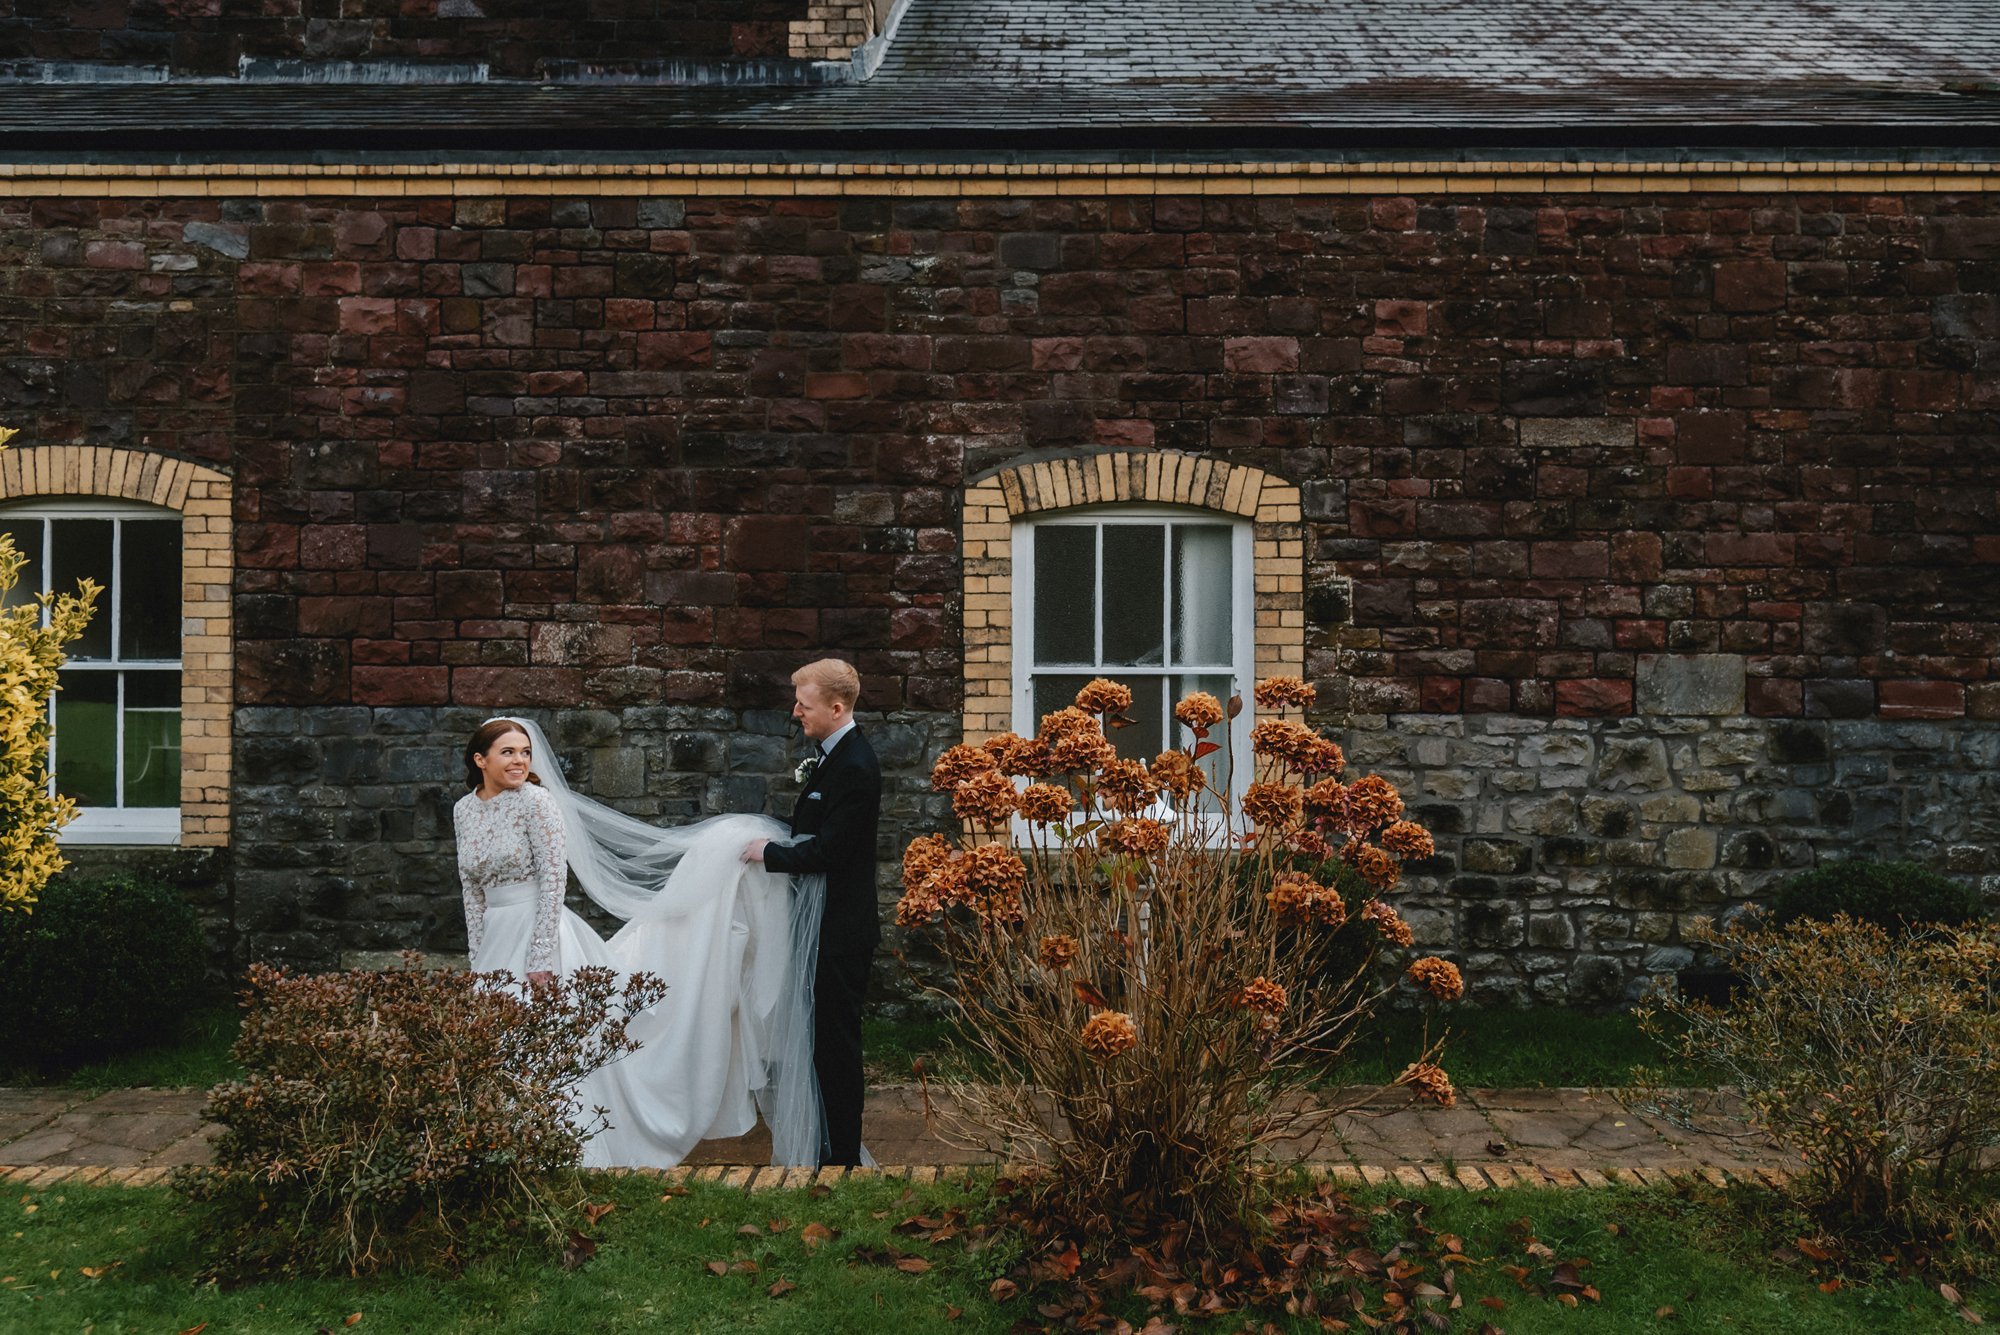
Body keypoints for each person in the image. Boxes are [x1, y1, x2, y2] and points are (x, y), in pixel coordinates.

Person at [453, 716, 827, 1168]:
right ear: (481, 759)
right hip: (495, 937)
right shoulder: (464, 810)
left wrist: (539, 955)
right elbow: (470, 887)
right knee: (498, 1041)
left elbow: (554, 881)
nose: (519, 761)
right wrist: (478, 954)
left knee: (549, 1040)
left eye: (525, 752)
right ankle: (501, 1145)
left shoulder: (537, 804)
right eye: (508, 752)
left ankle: (562, 1149)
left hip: (541, 935)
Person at [741, 658, 882, 1168]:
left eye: (804, 702)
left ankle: (842, 1157)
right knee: (819, 1044)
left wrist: (769, 854)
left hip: (841, 932)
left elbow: (831, 852)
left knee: (836, 1047)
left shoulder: (857, 766)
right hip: (821, 927)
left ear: (836, 707)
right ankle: (825, 1144)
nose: (795, 710)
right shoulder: (832, 757)